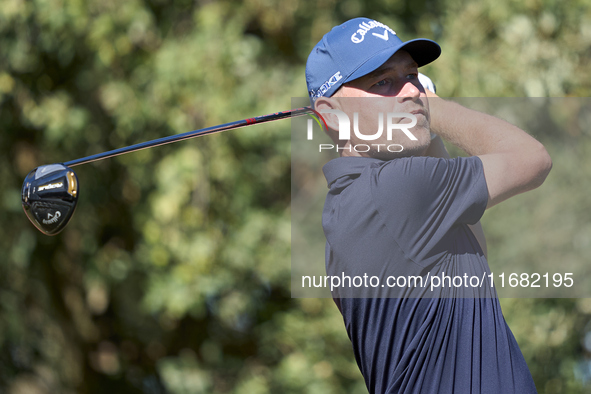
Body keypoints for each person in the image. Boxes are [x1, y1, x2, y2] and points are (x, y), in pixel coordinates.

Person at [305, 17, 552, 393]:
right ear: (331, 115)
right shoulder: (396, 191)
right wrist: (433, 106)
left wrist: (422, 122)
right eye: (382, 82)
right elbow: (532, 159)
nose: (410, 90)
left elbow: (474, 252)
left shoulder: (348, 210)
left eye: (413, 76)